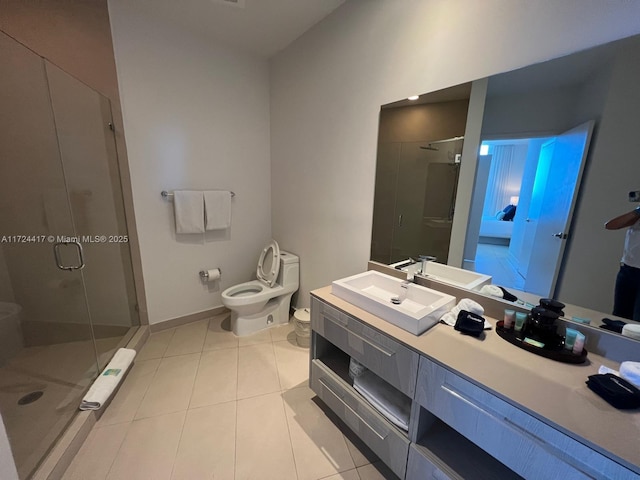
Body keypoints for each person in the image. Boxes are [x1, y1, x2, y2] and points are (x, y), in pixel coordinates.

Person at [606, 205, 640, 320]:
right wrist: (637, 211)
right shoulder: (637, 215)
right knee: (619, 317)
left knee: (637, 320)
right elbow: (610, 225)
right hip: (627, 270)